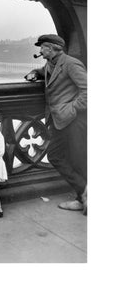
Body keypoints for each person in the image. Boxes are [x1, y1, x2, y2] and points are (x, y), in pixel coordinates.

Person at [25, 34, 87, 215]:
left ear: (52, 48)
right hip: (60, 121)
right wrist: (34, 73)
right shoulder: (51, 64)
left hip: (74, 120)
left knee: (77, 158)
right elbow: (44, 72)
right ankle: (84, 193)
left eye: (43, 47)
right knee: (56, 156)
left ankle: (82, 196)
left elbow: (89, 90)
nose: (40, 50)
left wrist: (72, 108)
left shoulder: (71, 64)